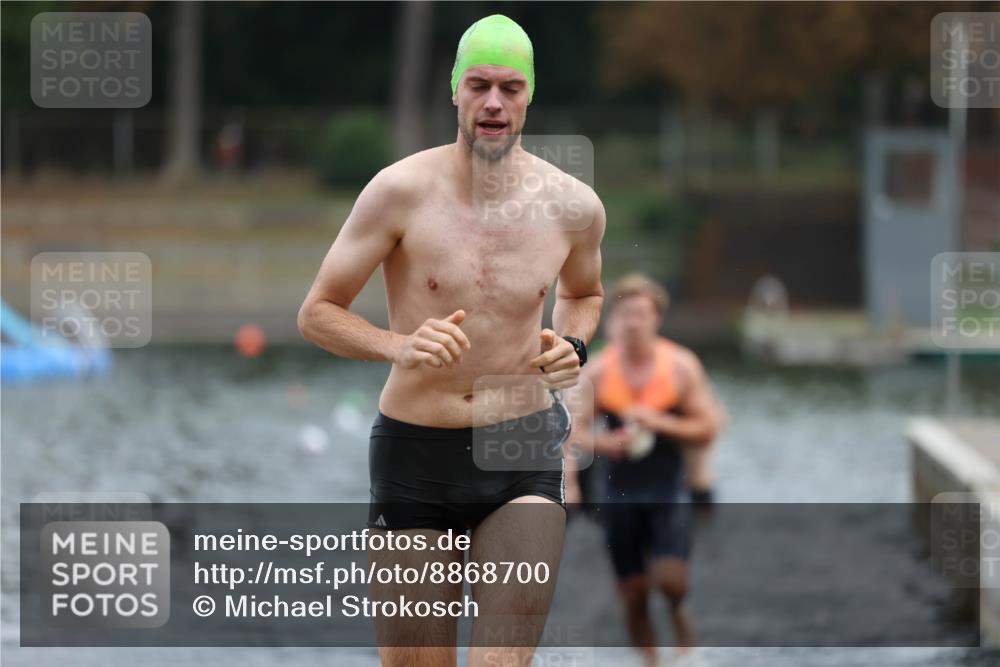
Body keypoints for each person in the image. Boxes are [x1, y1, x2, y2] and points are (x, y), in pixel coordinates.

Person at [298, 14, 606, 667]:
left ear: (529, 97)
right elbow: (317, 312)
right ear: (455, 94)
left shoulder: (573, 206)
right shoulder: (398, 192)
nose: (494, 102)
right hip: (415, 450)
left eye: (510, 88)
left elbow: (585, 294)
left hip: (519, 441)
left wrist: (573, 346)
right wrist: (397, 345)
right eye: (480, 85)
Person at [565, 274, 724, 666]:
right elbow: (574, 431)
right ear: (613, 320)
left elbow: (708, 428)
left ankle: (678, 616)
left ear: (657, 319)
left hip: (667, 487)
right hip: (619, 492)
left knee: (670, 581)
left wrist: (659, 421)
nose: (633, 322)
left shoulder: (682, 366)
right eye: (625, 314)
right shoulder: (600, 371)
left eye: (641, 313)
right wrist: (606, 444)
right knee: (633, 594)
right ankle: (650, 660)